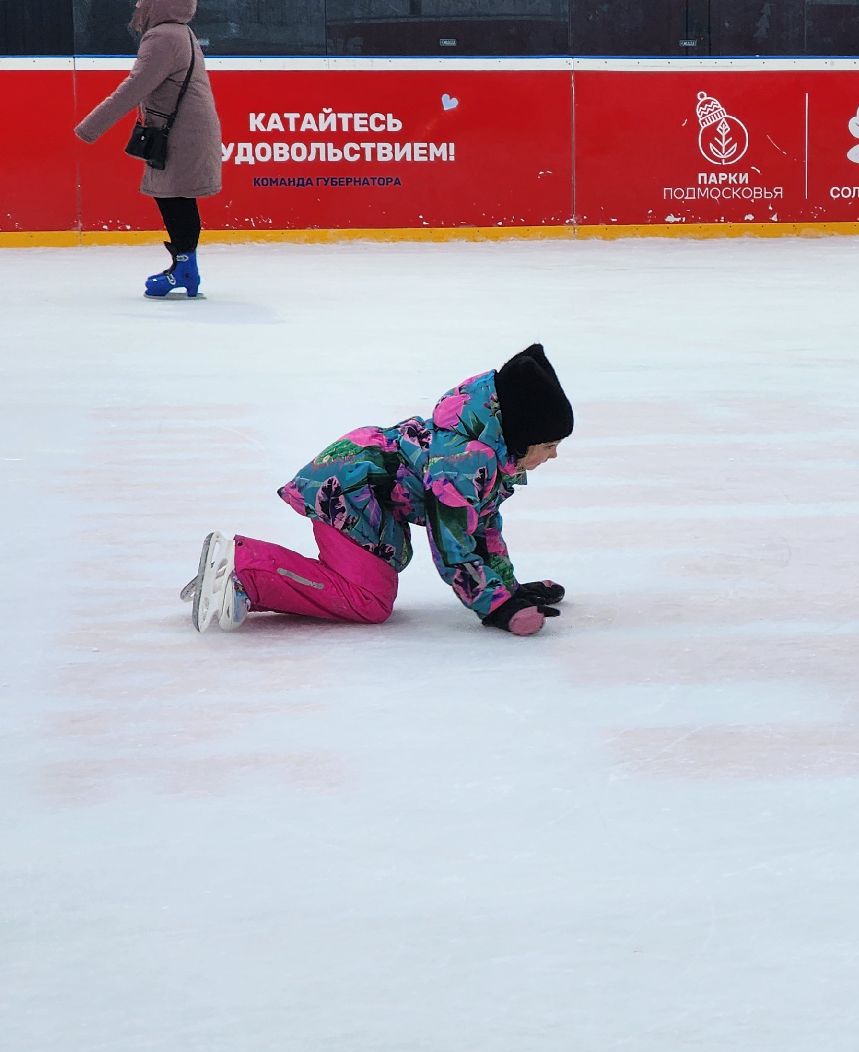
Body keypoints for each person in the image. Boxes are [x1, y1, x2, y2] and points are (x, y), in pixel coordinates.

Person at [179, 345, 576, 636]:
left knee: (371, 595)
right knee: (369, 601)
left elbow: (483, 531)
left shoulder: (488, 458)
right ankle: (245, 568)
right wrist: (498, 607)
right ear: (519, 435)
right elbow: (453, 547)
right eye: (548, 445)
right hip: (348, 490)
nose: (553, 455)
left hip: (365, 494)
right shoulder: (461, 464)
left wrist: (509, 589)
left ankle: (246, 583)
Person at [74, 0, 221, 299]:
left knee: (174, 197)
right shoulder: (181, 32)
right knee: (176, 196)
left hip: (180, 133)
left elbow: (133, 88)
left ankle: (185, 269)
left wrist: (89, 128)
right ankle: (185, 267)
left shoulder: (162, 37)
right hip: (185, 129)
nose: (138, 5)